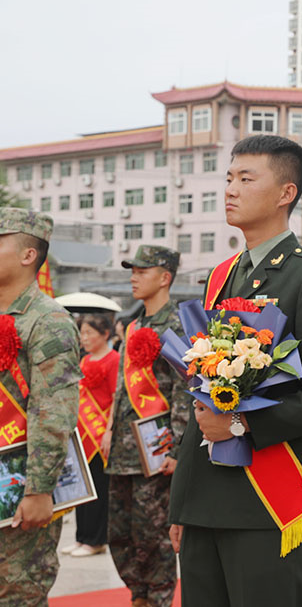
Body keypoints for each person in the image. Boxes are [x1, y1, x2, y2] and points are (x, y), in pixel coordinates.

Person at [168, 135, 302, 607]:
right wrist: (182, 503)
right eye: (228, 177)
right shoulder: (222, 275)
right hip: (206, 499)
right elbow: (205, 392)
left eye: (246, 179)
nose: (230, 188)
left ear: (285, 193)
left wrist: (241, 422)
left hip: (265, 501)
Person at [0, 208, 81, 604]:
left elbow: (54, 410)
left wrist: (39, 489)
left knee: (17, 592)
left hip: (17, 484)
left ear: (28, 255)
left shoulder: (48, 320)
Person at [102, 245, 189, 607]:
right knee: (120, 536)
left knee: (153, 536)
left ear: (165, 277)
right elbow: (123, 386)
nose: (133, 277)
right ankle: (138, 595)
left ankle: (157, 599)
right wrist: (108, 428)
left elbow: (186, 390)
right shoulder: (135, 325)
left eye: (142, 270)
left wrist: (177, 449)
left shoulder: (178, 325)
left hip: (156, 452)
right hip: (122, 449)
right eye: (132, 270)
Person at [60, 313, 118, 558]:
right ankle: (82, 536)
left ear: (105, 334)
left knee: (98, 487)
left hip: (99, 434)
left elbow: (116, 396)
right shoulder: (84, 361)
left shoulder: (113, 359)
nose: (84, 338)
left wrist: (109, 431)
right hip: (82, 434)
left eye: (89, 333)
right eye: (82, 333)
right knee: (81, 488)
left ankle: (96, 540)